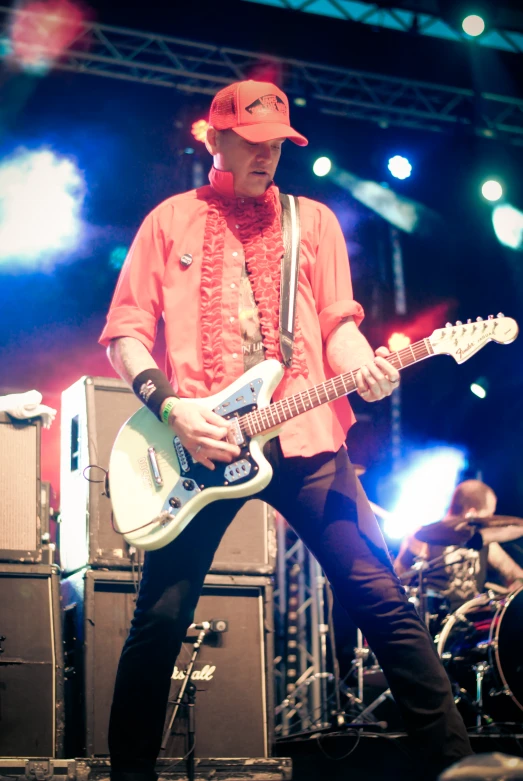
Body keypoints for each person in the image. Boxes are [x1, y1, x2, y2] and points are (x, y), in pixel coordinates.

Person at [99, 80, 472, 780]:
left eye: (278, 144)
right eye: (252, 141)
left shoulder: (315, 220)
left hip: (304, 439)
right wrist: (173, 407)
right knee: (158, 621)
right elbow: (123, 335)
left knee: (378, 595)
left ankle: (457, 764)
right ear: (216, 139)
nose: (267, 155)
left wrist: (369, 367)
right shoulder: (168, 220)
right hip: (198, 446)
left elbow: (339, 327)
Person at [394, 480, 523, 612]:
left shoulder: (483, 540)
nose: (490, 522)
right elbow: (396, 581)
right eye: (488, 516)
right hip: (433, 620)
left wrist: (514, 593)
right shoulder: (424, 537)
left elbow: (517, 576)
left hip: (471, 623)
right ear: (471, 513)